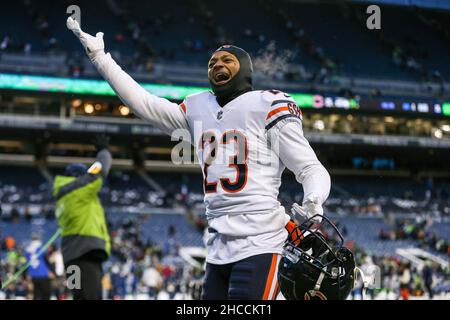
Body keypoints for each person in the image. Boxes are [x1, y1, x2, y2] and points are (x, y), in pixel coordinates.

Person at [67, 18, 330, 300]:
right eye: (212, 62)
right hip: (217, 247)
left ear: (245, 68)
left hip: (261, 241)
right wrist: (99, 57)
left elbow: (309, 167)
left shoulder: (267, 103)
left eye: (227, 60)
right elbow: (143, 103)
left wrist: (314, 200)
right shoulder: (197, 107)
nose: (217, 65)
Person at [53, 135, 112, 300]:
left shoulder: (61, 197)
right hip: (86, 254)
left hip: (70, 257)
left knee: (78, 296)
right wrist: (103, 151)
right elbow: (100, 169)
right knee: (91, 297)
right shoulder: (79, 190)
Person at [25, 234, 53, 300]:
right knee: (46, 294)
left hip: (33, 275)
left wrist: (26, 275)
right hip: (43, 274)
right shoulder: (41, 248)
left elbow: (26, 264)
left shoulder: (28, 250)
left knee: (36, 294)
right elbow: (46, 260)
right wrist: (51, 271)